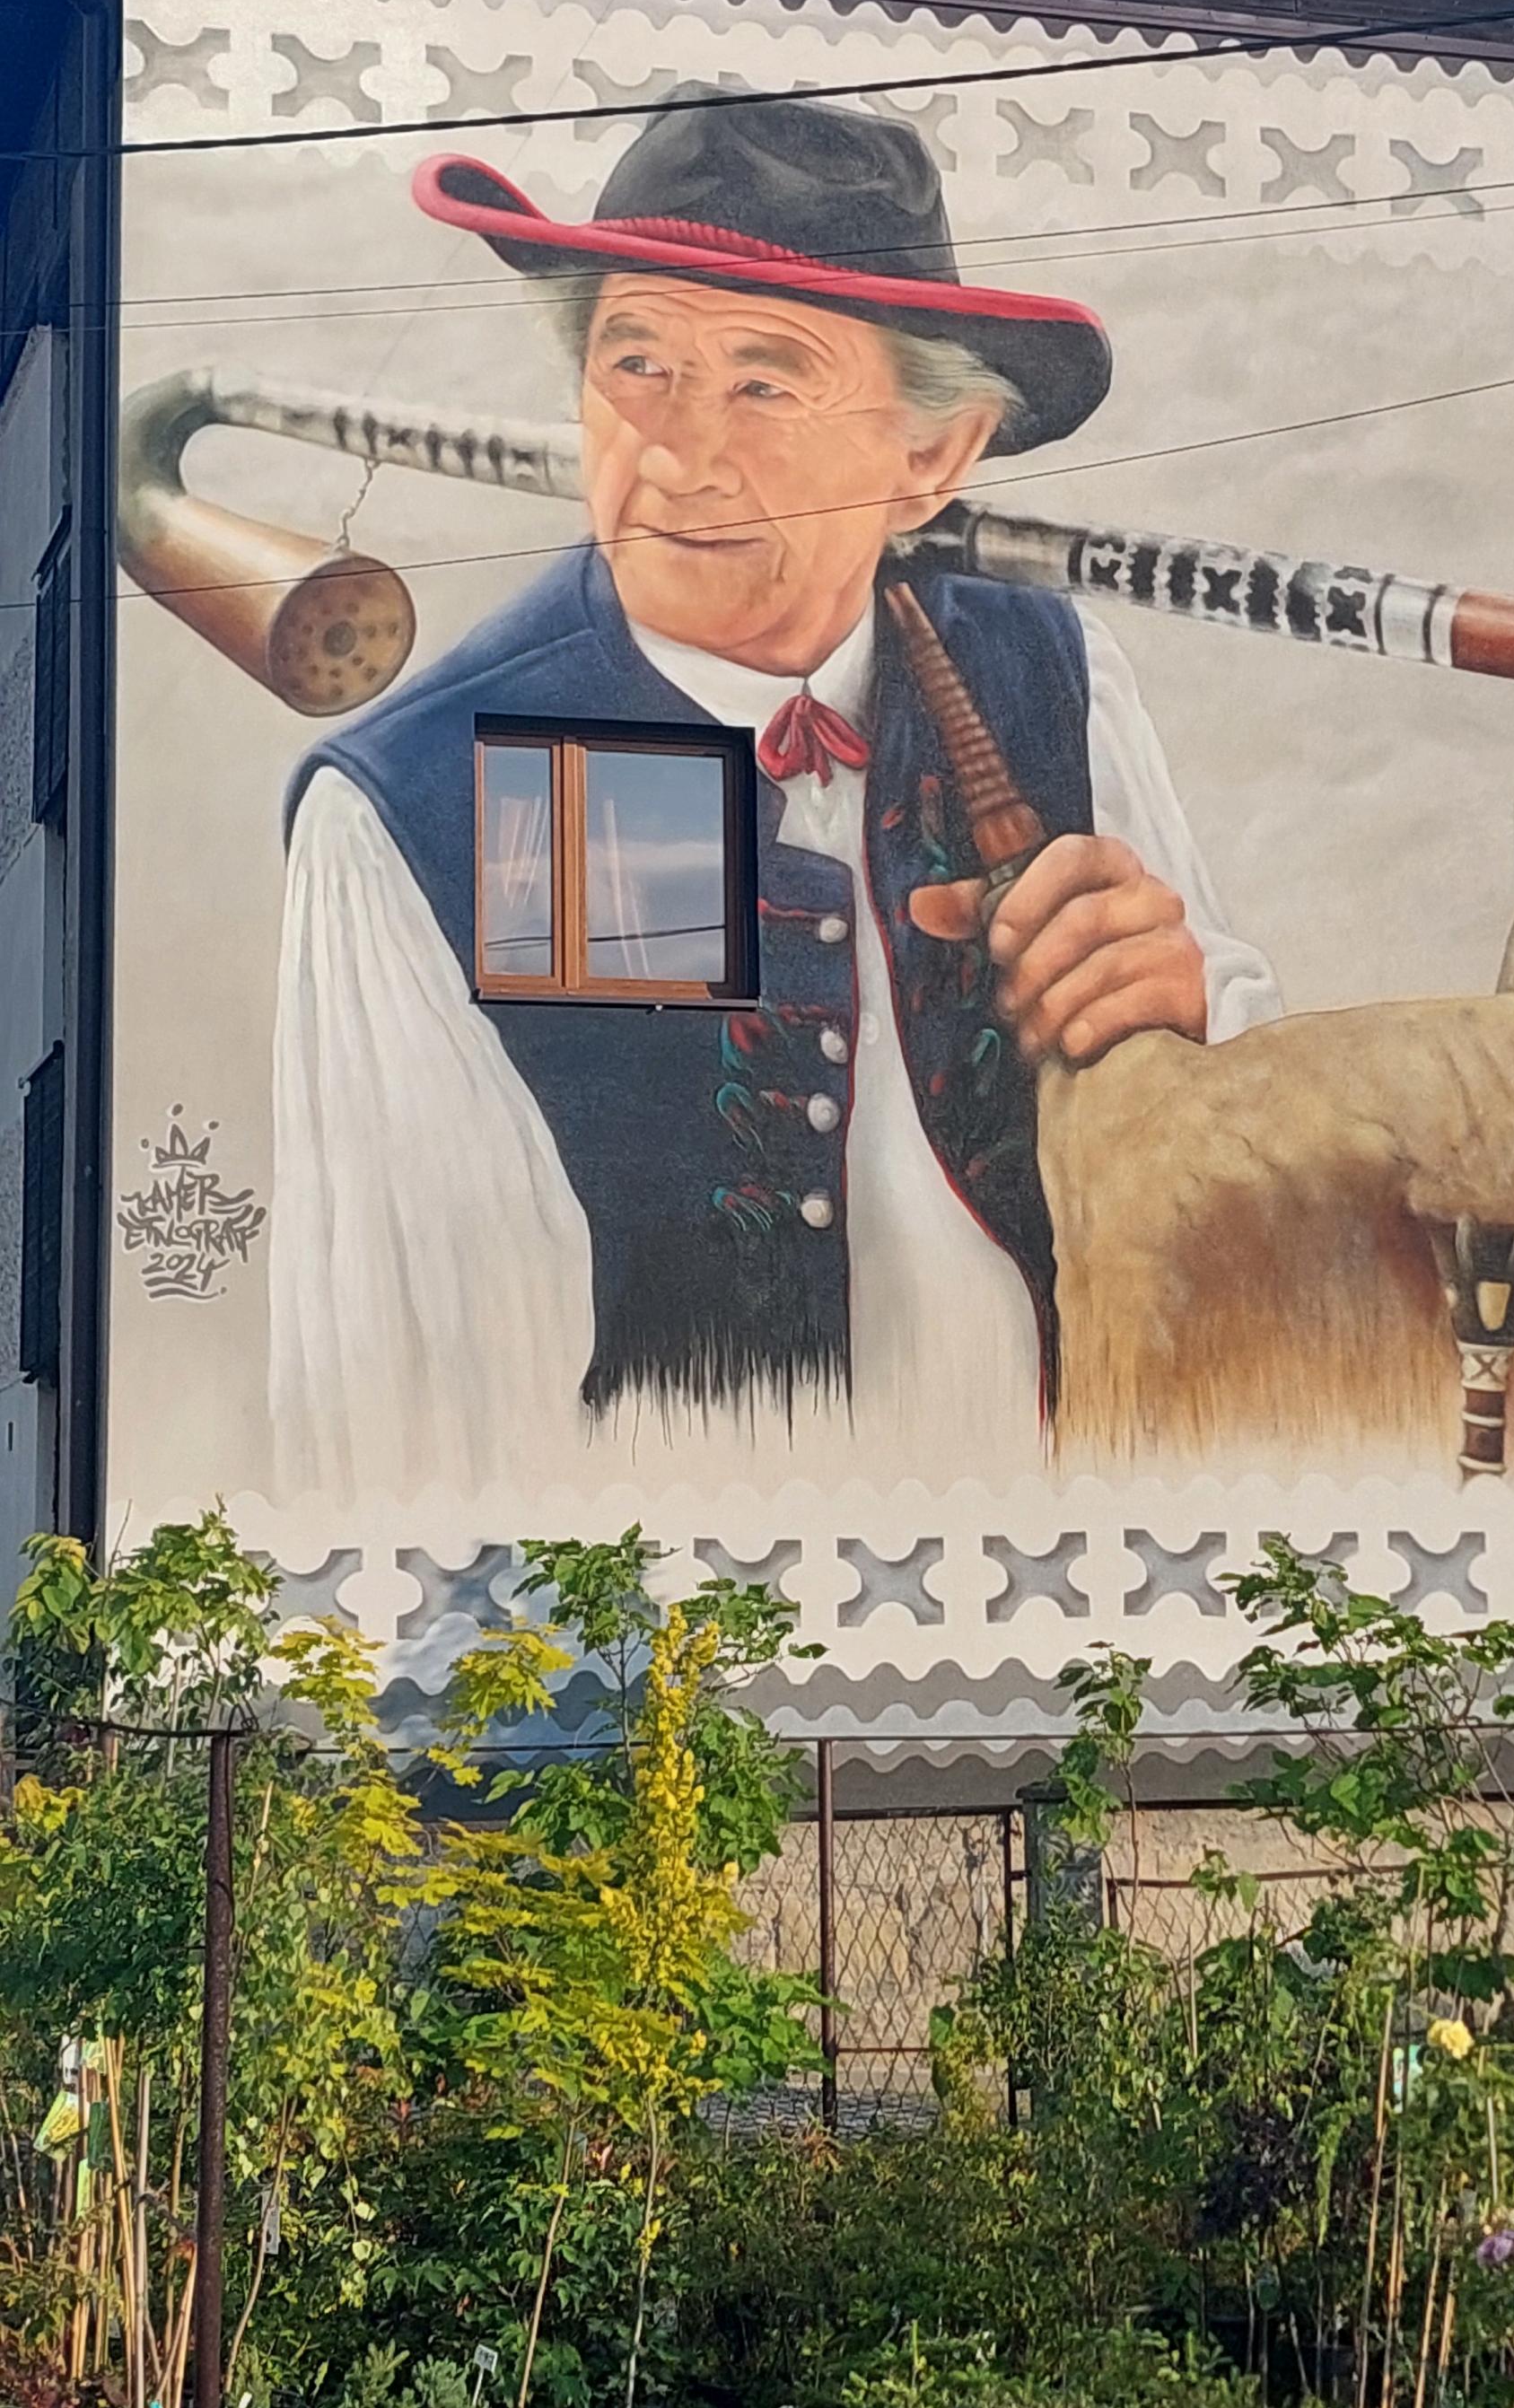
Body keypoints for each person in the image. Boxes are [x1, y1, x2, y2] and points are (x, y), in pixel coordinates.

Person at [270, 98, 1279, 1502]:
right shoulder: (479, 778)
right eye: (638, 364)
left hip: (1075, 1555)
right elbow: (415, 1421)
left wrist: (1189, 1035)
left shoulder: (1051, 673)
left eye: (766, 383)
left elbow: (1244, 1183)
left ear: (931, 457)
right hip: (679, 1614)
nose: (678, 455)